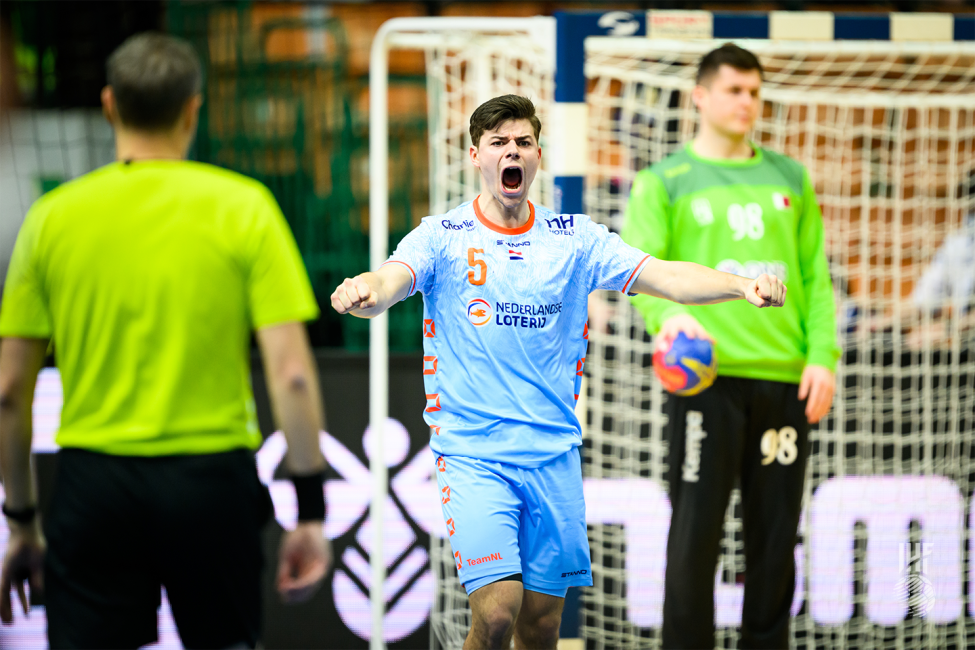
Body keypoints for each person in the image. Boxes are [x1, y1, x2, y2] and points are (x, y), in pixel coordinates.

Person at [331, 93, 787, 650]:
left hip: (553, 455)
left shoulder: (574, 239)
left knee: (543, 625)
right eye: (498, 143)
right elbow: (391, 280)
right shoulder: (441, 237)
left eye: (522, 142)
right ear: (476, 156)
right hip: (474, 455)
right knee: (497, 613)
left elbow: (663, 276)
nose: (511, 152)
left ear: (538, 156)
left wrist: (741, 285)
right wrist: (365, 291)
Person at [0, 33, 330, 649]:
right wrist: (309, 510)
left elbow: (10, 391)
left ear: (108, 106)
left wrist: (22, 522)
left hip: (94, 487)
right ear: (192, 110)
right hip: (211, 486)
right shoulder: (245, 207)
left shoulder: (51, 216)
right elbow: (290, 374)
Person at [621, 43, 840, 649]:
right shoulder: (663, 181)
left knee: (775, 540)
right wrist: (668, 321)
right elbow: (640, 273)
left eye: (755, 91)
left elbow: (815, 278)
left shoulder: (790, 177)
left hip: (782, 380)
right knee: (695, 539)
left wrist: (822, 356)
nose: (748, 102)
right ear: (701, 96)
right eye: (735, 90)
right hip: (704, 380)